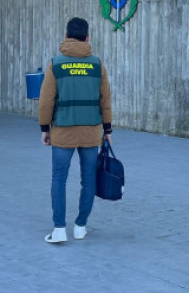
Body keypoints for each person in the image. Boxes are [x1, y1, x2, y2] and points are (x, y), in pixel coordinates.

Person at [38, 17, 112, 244]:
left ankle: (59, 229)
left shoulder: (56, 64)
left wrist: (44, 128)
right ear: (87, 37)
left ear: (66, 36)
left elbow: (45, 101)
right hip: (90, 132)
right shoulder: (97, 65)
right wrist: (107, 129)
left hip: (62, 132)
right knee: (88, 179)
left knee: (59, 179)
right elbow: (105, 100)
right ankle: (80, 226)